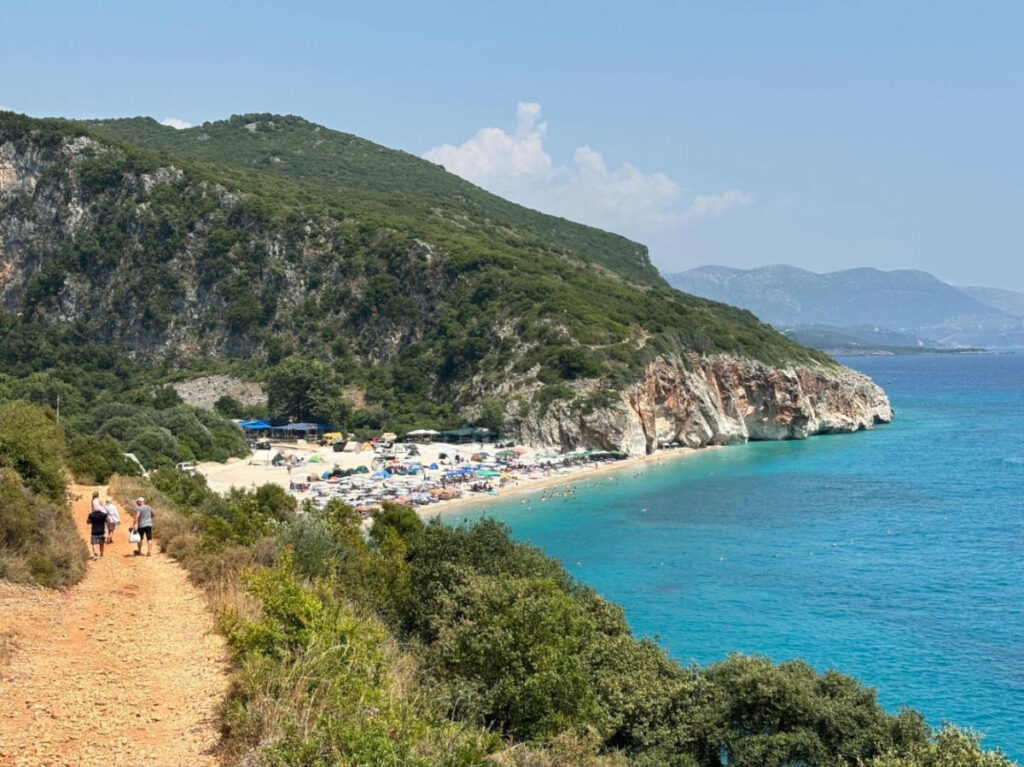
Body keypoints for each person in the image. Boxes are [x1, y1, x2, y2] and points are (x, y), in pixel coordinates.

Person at [86, 494, 109, 560]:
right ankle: (101, 554)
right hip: (101, 531)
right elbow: (108, 521)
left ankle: (95, 554)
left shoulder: (91, 514)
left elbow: (88, 522)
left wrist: (91, 519)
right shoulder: (104, 514)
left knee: (94, 543)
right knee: (101, 544)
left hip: (94, 531)